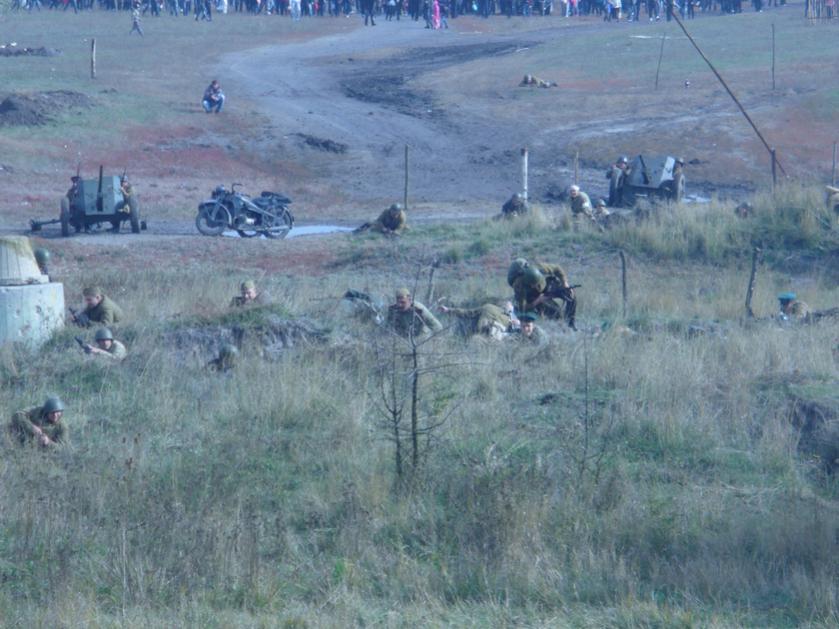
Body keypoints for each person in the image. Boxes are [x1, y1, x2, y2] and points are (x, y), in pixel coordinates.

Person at [507, 258, 577, 329]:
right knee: (556, 313)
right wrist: (538, 301)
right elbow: (522, 307)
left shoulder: (541, 268)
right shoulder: (519, 286)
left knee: (570, 294)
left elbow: (557, 269)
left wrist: (565, 283)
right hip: (534, 297)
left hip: (547, 286)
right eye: (532, 285)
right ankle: (560, 327)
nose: (535, 286)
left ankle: (571, 324)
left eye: (536, 284)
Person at [439, 301, 516, 340]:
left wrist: (448, 310)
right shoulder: (509, 319)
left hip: (480, 335)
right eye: (511, 306)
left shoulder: (487, 307)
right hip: (493, 338)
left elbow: (468, 313)